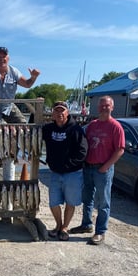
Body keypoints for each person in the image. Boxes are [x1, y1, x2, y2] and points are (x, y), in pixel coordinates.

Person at [70, 95, 125, 245]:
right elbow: (80, 140)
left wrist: (105, 167)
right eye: (101, 105)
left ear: (112, 107)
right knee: (87, 198)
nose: (104, 108)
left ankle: (100, 232)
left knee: (103, 202)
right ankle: (86, 224)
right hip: (88, 167)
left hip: (103, 170)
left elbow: (120, 149)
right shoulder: (92, 125)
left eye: (107, 105)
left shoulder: (115, 126)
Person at [42, 101, 88, 241]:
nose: (60, 113)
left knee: (70, 202)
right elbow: (33, 129)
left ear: (67, 113)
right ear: (52, 114)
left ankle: (64, 228)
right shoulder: (48, 129)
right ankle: (58, 224)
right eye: (56, 111)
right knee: (53, 202)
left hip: (73, 173)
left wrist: (68, 165)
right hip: (55, 172)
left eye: (62, 111)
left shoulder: (76, 129)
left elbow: (83, 151)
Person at [0, 46, 40, 123]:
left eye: (4, 57)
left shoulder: (14, 71)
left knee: (23, 126)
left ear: (8, 58)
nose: (1, 59)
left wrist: (34, 77)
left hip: (8, 107)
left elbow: (27, 84)